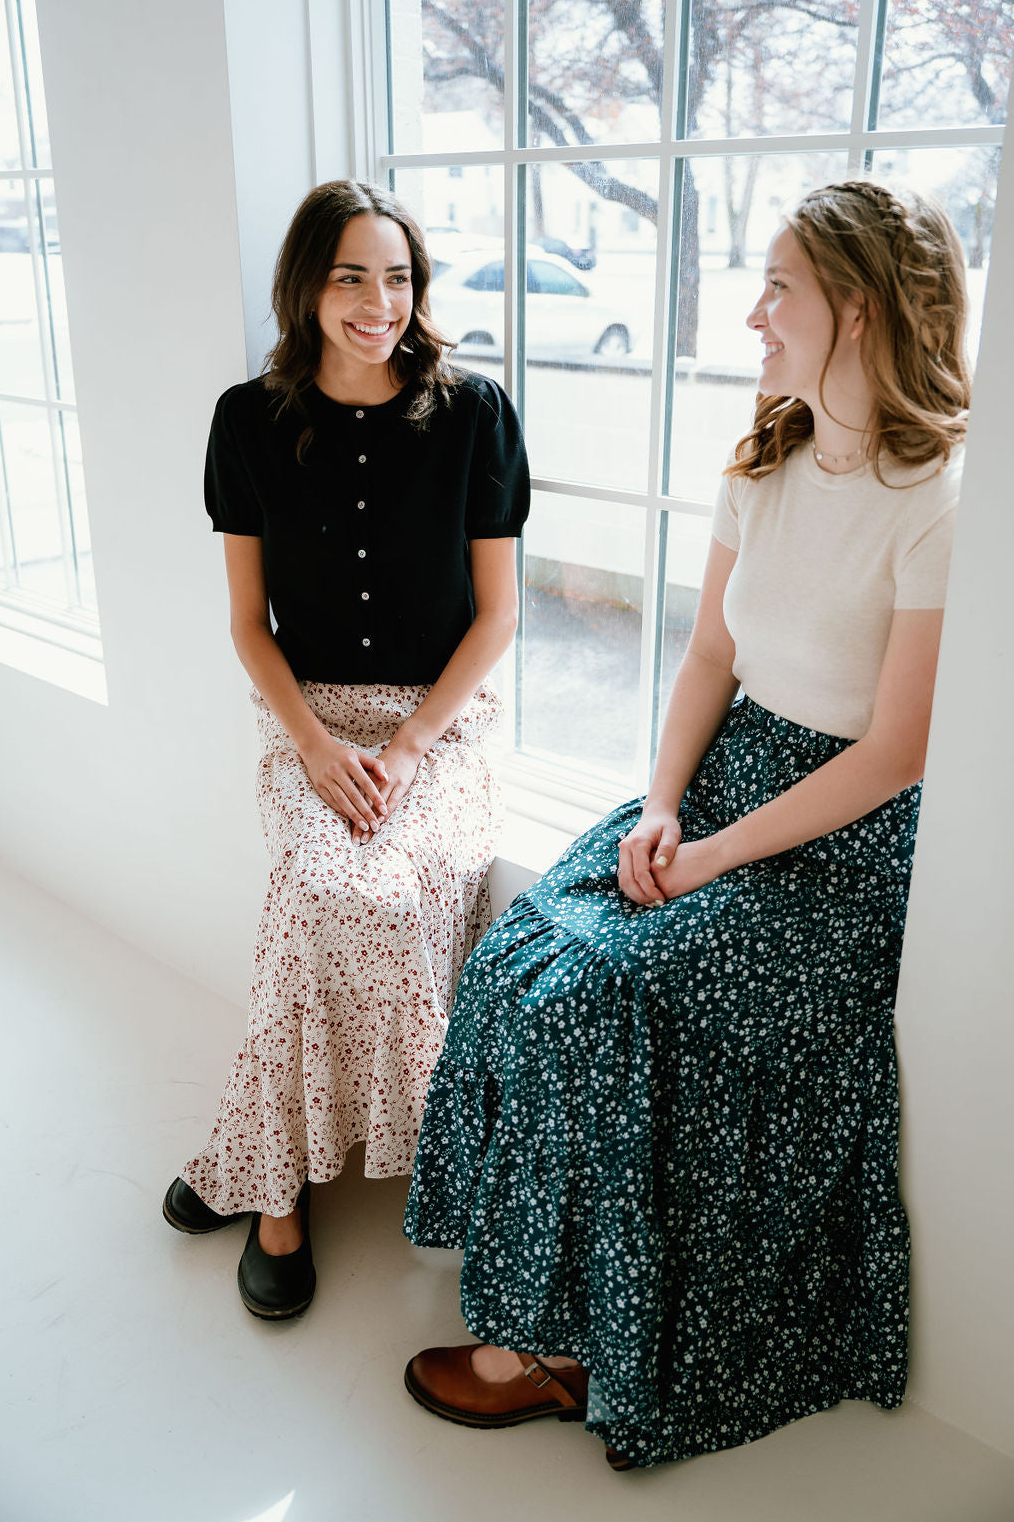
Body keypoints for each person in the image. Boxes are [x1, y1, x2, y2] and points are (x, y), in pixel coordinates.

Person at [401, 179, 969, 1469]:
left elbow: (897, 750)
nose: (754, 310)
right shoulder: (764, 454)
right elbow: (708, 652)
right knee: (530, 940)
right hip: (721, 778)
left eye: (780, 285)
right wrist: (660, 806)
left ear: (861, 308)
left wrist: (708, 854)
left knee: (608, 989)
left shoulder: (941, 499)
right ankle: (546, 1287)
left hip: (841, 837)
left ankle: (563, 1349)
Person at [162, 180, 530, 1320]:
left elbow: (500, 616)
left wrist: (415, 743)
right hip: (308, 716)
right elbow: (245, 625)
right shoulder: (246, 419)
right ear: (307, 288)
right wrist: (315, 744)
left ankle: (256, 1163)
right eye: (350, 277)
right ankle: (280, 1191)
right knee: (322, 891)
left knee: (378, 897)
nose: (380, 303)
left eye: (400, 277)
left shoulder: (475, 414)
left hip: (445, 724)